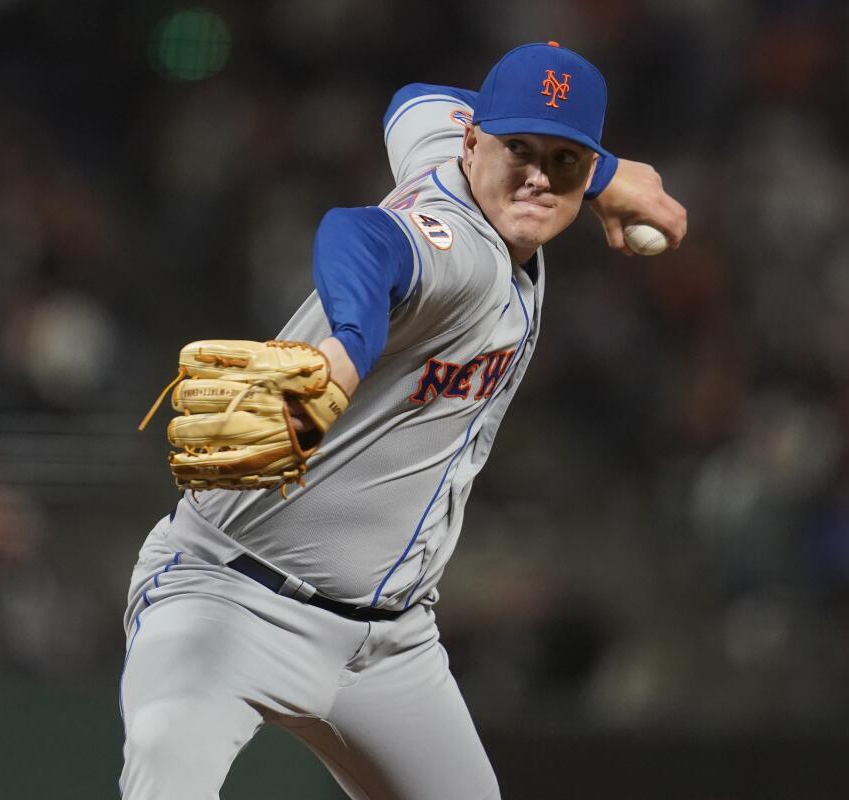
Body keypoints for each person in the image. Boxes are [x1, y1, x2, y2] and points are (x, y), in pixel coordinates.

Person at [119, 41, 686, 799]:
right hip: (227, 597)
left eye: (567, 161)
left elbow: (415, 96)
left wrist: (609, 174)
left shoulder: (451, 149)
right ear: (473, 141)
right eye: (518, 148)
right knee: (165, 771)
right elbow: (360, 237)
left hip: (388, 647)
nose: (538, 178)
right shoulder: (460, 252)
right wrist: (348, 349)